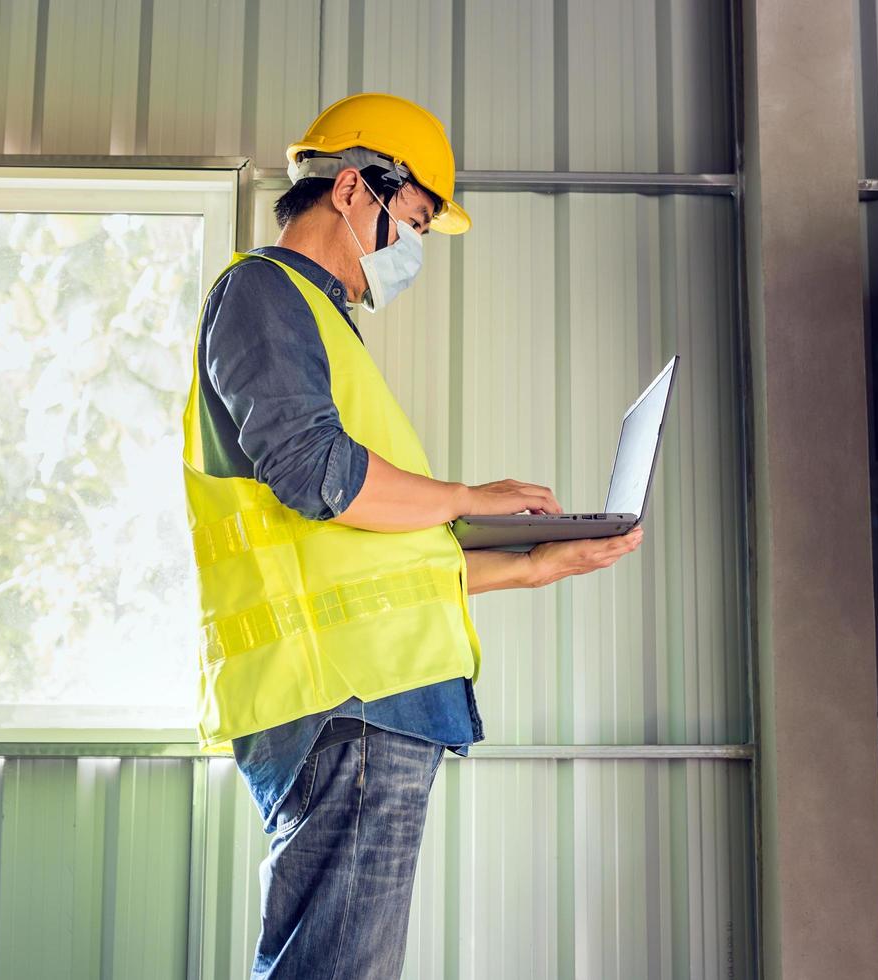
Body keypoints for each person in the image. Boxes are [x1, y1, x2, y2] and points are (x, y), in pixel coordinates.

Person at [179, 93, 643, 978]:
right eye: (416, 220)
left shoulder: (320, 326)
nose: (414, 247)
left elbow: (377, 558)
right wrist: (469, 492)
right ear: (355, 190)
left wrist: (538, 563)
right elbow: (321, 475)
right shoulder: (263, 296)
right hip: (343, 704)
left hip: (362, 703)